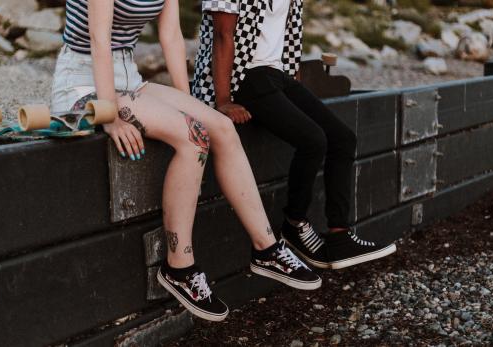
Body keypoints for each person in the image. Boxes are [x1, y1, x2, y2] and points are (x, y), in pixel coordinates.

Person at [51, 0, 321, 322]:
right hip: (83, 83)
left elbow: (172, 36)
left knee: (219, 127)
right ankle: (179, 266)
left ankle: (267, 249)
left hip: (129, 77)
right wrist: (109, 114)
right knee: (194, 137)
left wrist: (190, 103)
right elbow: (99, 37)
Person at [192, 0, 397, 270]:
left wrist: (294, 87)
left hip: (275, 74)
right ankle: (294, 224)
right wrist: (223, 100)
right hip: (242, 77)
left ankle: (339, 237)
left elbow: (286, 34)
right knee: (313, 139)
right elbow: (222, 34)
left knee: (342, 138)